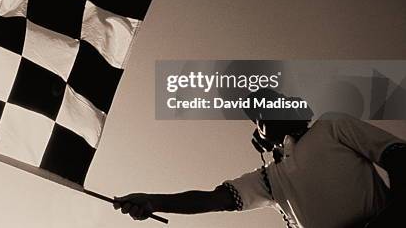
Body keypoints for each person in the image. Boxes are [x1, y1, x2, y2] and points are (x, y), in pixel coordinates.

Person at [113, 89, 406, 227]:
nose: (265, 108)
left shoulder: (332, 126)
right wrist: (154, 200)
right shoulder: (269, 178)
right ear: (260, 136)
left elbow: (399, 157)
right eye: (257, 112)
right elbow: (212, 200)